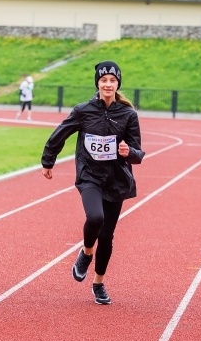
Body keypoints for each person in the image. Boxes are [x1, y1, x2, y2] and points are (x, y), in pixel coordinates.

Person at [41, 61, 144, 305]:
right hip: (90, 175)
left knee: (107, 236)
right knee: (95, 217)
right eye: (103, 80)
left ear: (118, 84)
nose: (108, 84)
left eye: (112, 80)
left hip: (117, 180)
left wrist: (128, 152)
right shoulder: (83, 111)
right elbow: (60, 134)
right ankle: (86, 253)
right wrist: (48, 160)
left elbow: (138, 153)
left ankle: (98, 283)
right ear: (97, 83)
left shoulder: (128, 114)